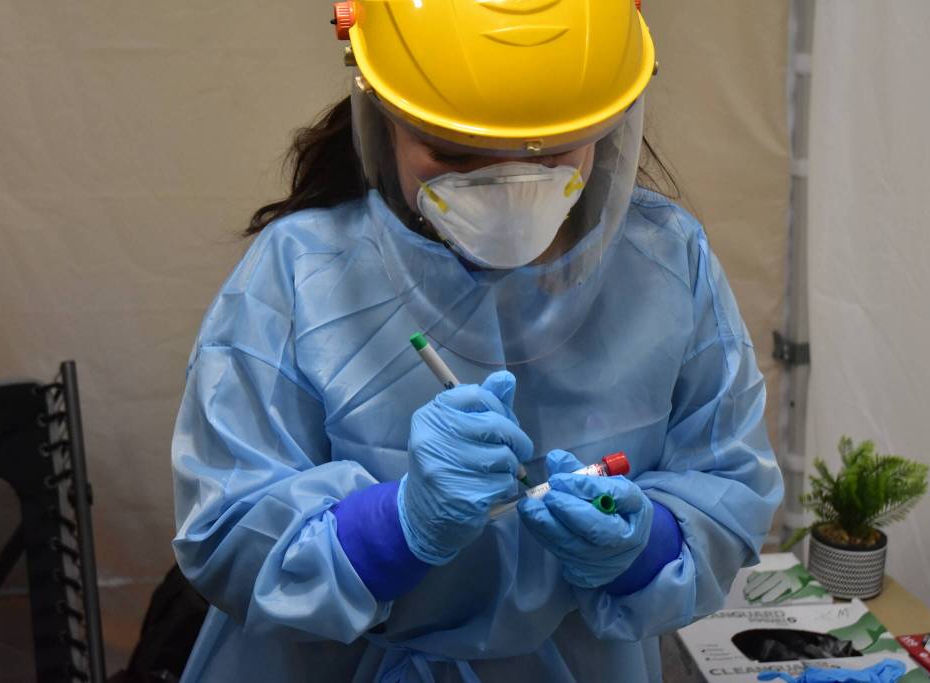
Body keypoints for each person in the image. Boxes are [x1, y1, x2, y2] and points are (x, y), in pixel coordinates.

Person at [170, 1, 784, 681]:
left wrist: (642, 546)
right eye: (456, 153)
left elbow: (728, 484)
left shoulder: (666, 263)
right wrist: (395, 526)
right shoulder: (301, 271)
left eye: (549, 154)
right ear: (386, 119)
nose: (507, 187)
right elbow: (226, 530)